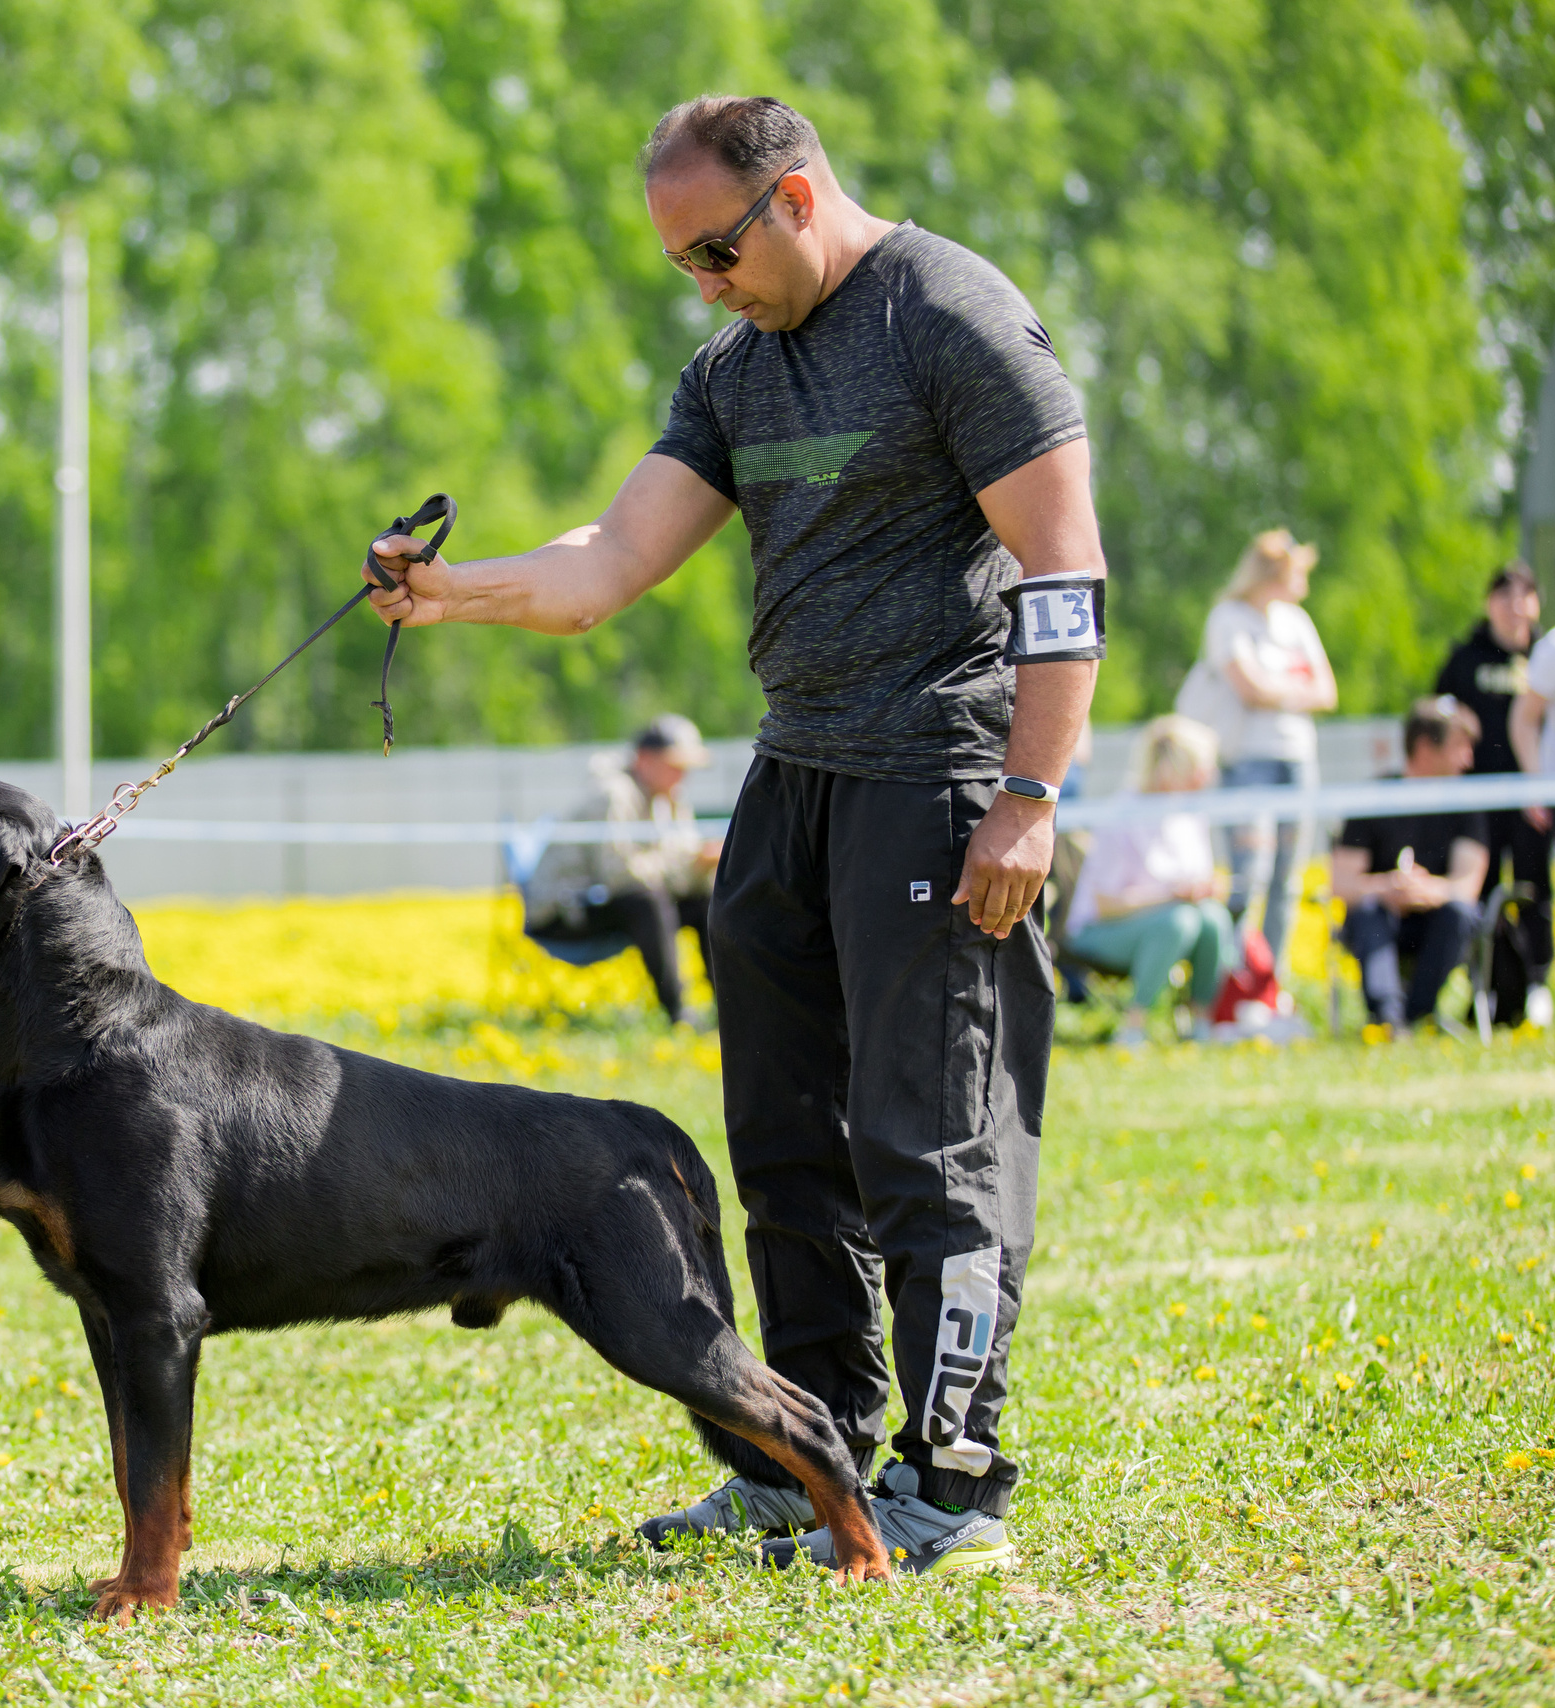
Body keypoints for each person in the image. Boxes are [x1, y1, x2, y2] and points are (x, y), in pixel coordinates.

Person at [362, 95, 1101, 1573]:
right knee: (781, 1145)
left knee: (926, 1144)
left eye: (717, 248)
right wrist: (450, 592)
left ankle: (954, 1488)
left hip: (938, 775)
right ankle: (803, 1448)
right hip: (795, 776)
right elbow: (608, 562)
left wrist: (1029, 799)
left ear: (799, 195)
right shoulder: (735, 367)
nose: (704, 281)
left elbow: (1066, 569)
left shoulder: (948, 316)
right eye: (681, 262)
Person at [1178, 529, 1336, 972]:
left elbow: (1326, 691)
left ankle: (1271, 984)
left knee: (1288, 880)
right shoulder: (1227, 618)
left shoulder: (1296, 622)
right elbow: (1249, 688)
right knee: (1251, 876)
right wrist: (1294, 687)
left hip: (1298, 760)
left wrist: (1276, 689)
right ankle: (1232, 981)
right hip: (1246, 761)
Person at [524, 714, 721, 1025]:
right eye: (675, 765)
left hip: (605, 905)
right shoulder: (613, 794)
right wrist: (693, 864)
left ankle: (727, 1010)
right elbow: (619, 876)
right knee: (646, 901)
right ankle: (679, 1014)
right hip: (562, 915)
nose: (682, 776)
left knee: (704, 899)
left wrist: (702, 865)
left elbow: (676, 861)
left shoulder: (667, 798)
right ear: (644, 759)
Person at [1060, 716, 1234, 1049]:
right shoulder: (1123, 814)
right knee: (1179, 921)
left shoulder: (1191, 814)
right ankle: (1133, 1026)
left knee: (1213, 917)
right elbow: (1106, 904)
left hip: (1170, 925)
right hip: (1101, 930)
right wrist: (1170, 895)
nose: (1208, 777)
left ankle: (1200, 1023)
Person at [1332, 698, 1488, 1036]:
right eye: (1459, 747)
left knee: (1458, 913)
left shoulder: (1467, 804)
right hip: (1383, 920)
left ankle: (1418, 1016)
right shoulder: (1373, 799)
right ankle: (1387, 1020)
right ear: (1424, 747)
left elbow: (1467, 885)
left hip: (1436, 921)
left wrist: (1427, 891)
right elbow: (1342, 883)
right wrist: (1387, 888)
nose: (1468, 759)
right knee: (1368, 911)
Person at [1438, 562, 1546, 1022]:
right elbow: (1439, 719)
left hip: (1533, 798)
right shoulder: (1465, 659)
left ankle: (1537, 983)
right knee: (1479, 894)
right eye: (1504, 594)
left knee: (1534, 891)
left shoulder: (1545, 655)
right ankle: (1488, 986)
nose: (1515, 605)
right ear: (1489, 604)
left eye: (1525, 594)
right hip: (1478, 799)